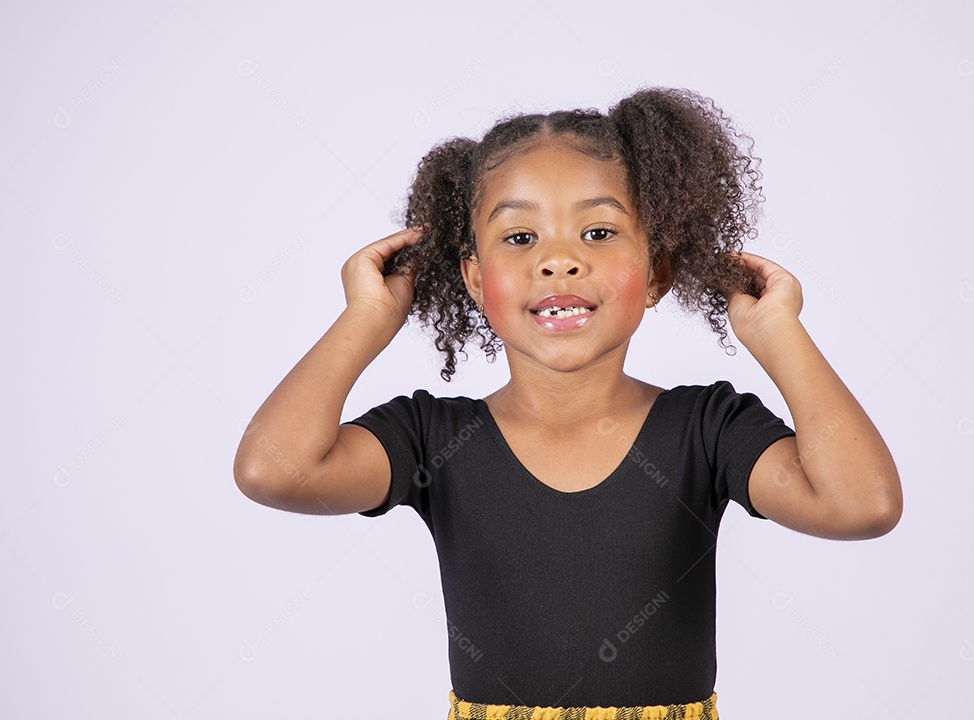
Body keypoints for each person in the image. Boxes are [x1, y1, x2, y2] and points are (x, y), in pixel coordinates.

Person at [233, 86, 903, 720]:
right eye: (520, 237)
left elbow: (861, 504)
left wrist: (776, 331)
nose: (559, 261)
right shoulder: (432, 438)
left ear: (657, 272)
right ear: (473, 275)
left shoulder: (705, 429)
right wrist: (368, 317)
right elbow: (273, 469)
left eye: (599, 233)